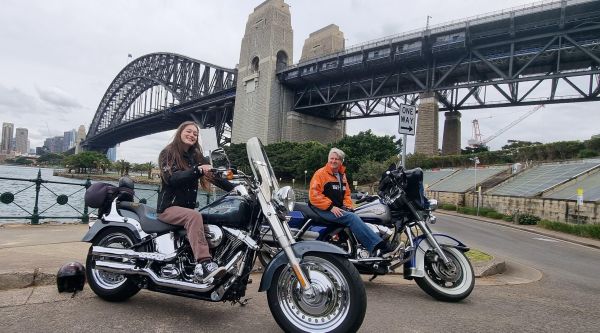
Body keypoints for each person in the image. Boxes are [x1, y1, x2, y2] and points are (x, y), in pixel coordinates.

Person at [157, 121, 235, 283]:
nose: (192, 135)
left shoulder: (195, 157)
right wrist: (197, 170)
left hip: (186, 210)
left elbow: (212, 176)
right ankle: (204, 264)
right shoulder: (168, 153)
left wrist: (235, 188)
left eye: (195, 133)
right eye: (189, 131)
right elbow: (172, 178)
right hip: (169, 208)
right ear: (180, 132)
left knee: (213, 219)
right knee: (194, 216)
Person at [309, 147, 394, 257]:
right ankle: (377, 245)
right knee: (351, 218)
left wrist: (348, 206)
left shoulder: (341, 175)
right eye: (331, 158)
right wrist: (330, 207)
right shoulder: (320, 174)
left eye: (337, 159)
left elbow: (347, 194)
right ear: (328, 159)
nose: (333, 161)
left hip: (336, 207)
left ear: (341, 161)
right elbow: (314, 195)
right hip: (321, 208)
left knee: (356, 214)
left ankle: (357, 250)